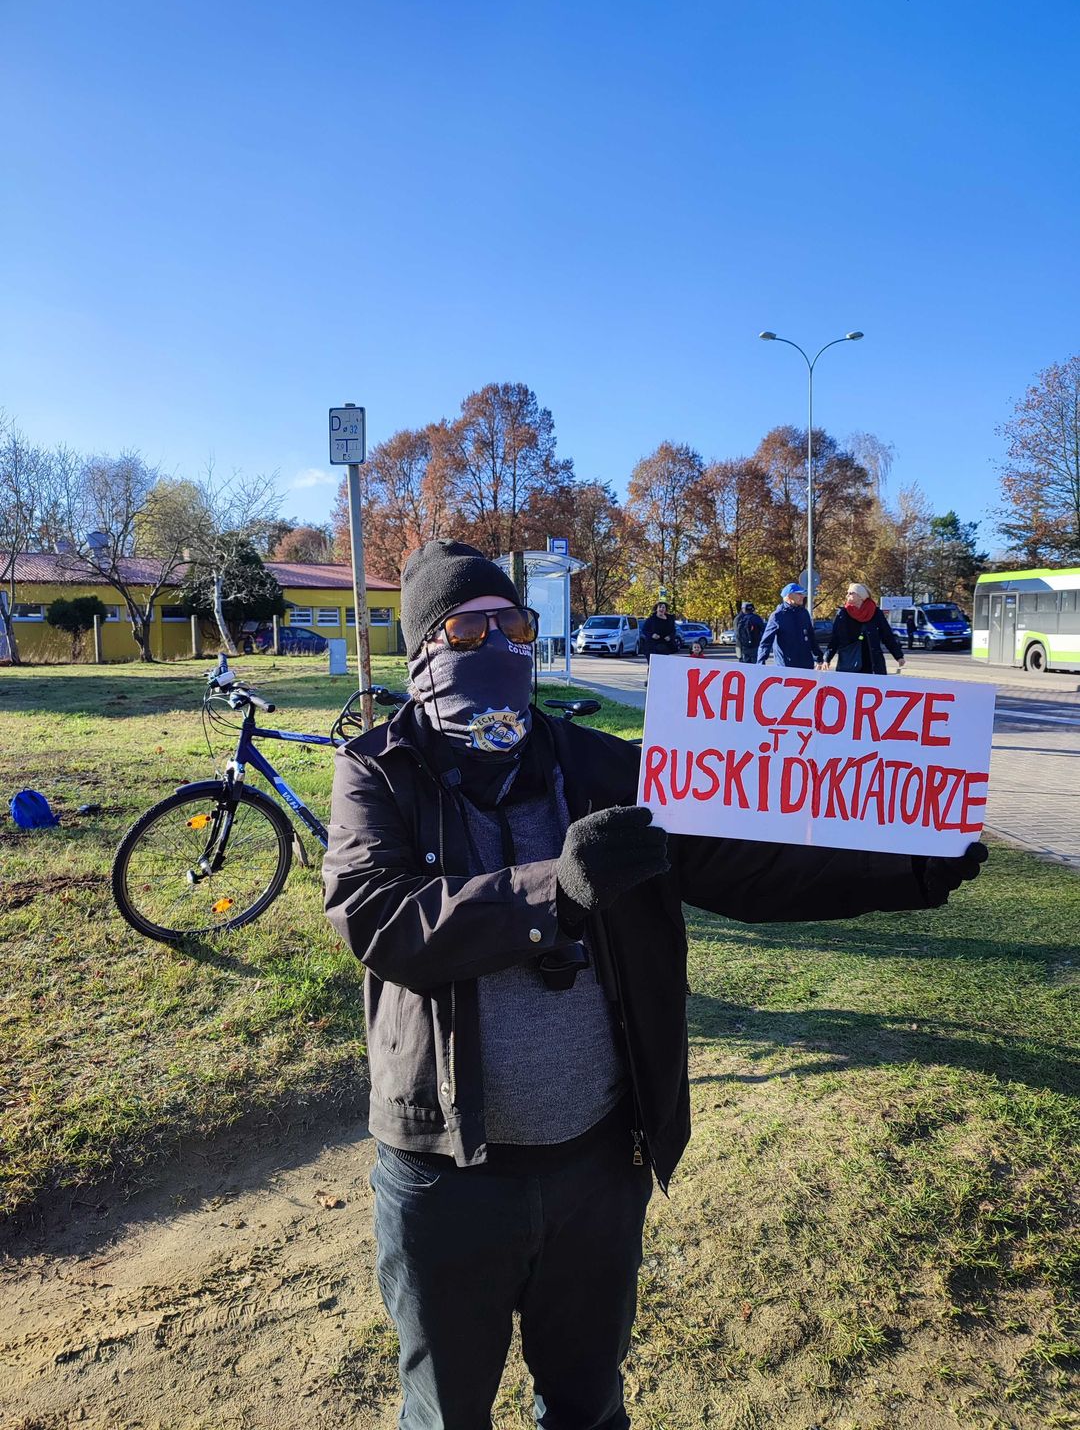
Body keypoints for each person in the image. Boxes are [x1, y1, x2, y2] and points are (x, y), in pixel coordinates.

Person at [322, 539, 987, 1430]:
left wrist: (904, 868)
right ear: (421, 653)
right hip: (446, 1176)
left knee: (590, 1405)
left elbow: (741, 869)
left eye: (512, 624)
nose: (496, 643)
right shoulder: (378, 768)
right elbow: (376, 915)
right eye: (465, 628)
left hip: (598, 1164)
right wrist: (549, 893)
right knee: (446, 1416)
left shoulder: (603, 768)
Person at [825, 583, 906, 674]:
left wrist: (898, 656)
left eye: (851, 593)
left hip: (873, 662)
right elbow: (835, 638)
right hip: (850, 662)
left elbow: (887, 636)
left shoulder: (876, 612)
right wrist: (827, 658)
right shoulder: (842, 614)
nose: (847, 595)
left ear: (860, 596)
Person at [756, 582, 823, 670]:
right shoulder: (777, 616)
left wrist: (819, 658)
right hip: (786, 667)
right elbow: (766, 642)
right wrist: (760, 663)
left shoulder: (804, 613)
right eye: (799, 594)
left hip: (806, 665)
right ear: (789, 596)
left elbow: (811, 637)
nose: (803, 596)